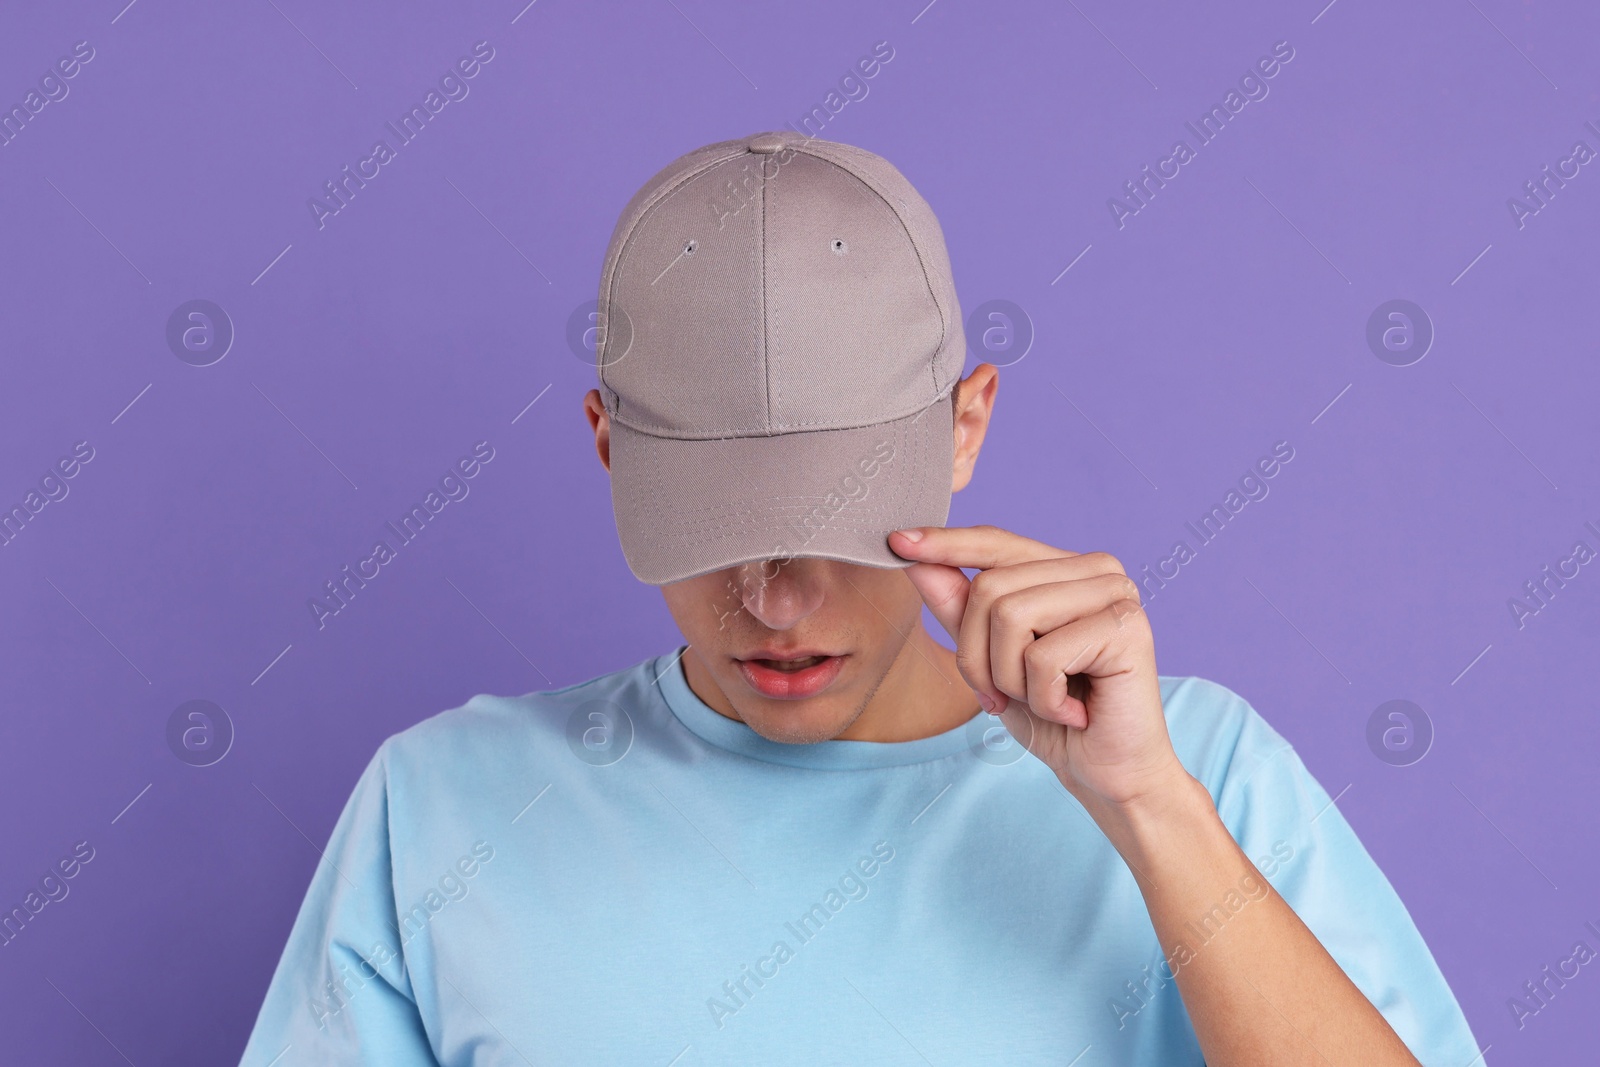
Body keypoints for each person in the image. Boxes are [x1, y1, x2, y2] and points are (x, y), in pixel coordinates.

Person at [237, 131, 1481, 1065]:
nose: (772, 601)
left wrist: (1150, 808)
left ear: (966, 427)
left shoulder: (1200, 771)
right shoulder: (443, 808)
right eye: (717, 528)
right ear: (607, 447)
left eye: (832, 523)